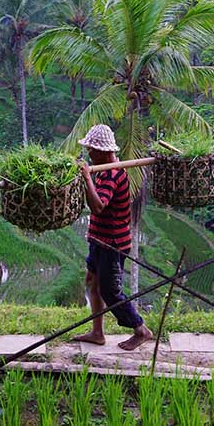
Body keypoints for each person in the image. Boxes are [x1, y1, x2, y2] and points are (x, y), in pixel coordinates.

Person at [74, 124, 153, 350]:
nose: (89, 153)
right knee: (92, 282)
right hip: (98, 239)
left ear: (103, 151)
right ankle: (97, 332)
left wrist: (87, 178)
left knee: (110, 291)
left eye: (91, 149)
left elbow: (98, 206)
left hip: (112, 243)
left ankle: (140, 329)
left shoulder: (112, 173)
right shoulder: (102, 169)